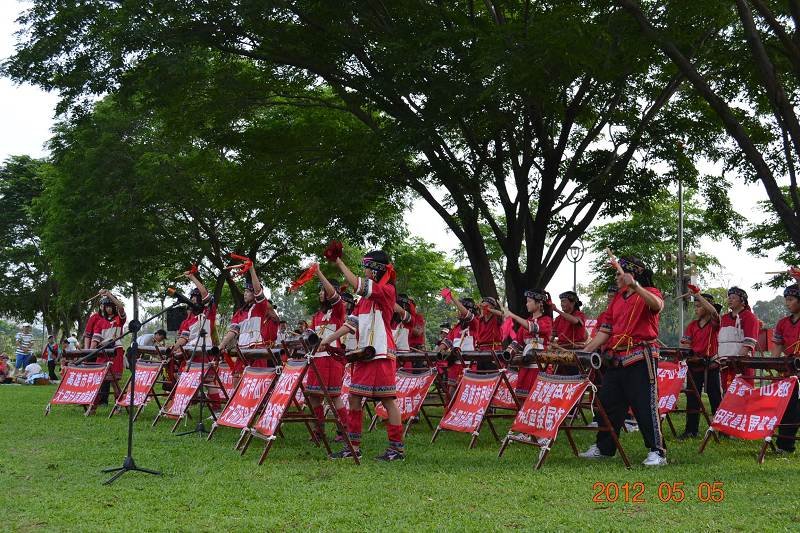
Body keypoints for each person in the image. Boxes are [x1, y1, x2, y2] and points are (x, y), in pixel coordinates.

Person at [579, 256, 666, 467]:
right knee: (607, 403)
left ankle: (658, 451)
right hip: (616, 359)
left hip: (640, 357)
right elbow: (605, 331)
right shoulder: (618, 299)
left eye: (619, 274)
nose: (617, 278)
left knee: (645, 405)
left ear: (632, 275)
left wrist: (635, 286)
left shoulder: (650, 292)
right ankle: (604, 448)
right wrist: (584, 352)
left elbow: (658, 306)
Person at [320, 248, 405, 461]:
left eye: (366, 267)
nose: (364, 271)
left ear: (375, 269)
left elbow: (358, 285)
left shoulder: (386, 290)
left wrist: (339, 262)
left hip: (381, 353)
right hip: (364, 353)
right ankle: (353, 446)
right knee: (354, 397)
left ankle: (396, 449)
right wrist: (327, 340)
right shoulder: (364, 300)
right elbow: (351, 323)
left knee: (387, 401)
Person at [307, 268, 348, 441]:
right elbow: (311, 334)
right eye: (320, 290)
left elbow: (333, 296)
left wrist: (319, 273)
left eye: (323, 289)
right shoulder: (317, 315)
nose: (321, 293)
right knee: (313, 396)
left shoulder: (339, 309)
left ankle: (344, 430)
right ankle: (319, 430)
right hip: (317, 359)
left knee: (334, 397)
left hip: (332, 359)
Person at [679, 287, 722, 439]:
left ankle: (721, 428)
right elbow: (685, 344)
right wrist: (687, 353)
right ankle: (691, 430)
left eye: (699, 306)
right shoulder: (692, 325)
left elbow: (715, 313)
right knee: (692, 399)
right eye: (695, 306)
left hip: (711, 366)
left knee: (715, 397)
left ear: (707, 306)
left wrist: (698, 295)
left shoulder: (714, 324)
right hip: (695, 365)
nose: (696, 309)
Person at [219, 262, 279, 368]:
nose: (245, 294)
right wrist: (221, 345)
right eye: (244, 291)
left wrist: (251, 269)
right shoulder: (239, 313)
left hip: (257, 348)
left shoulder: (260, 307)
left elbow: (258, 291)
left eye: (248, 291)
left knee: (256, 379)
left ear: (254, 294)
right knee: (237, 376)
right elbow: (233, 331)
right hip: (242, 349)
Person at [502, 289, 553, 398]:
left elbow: (534, 328)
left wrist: (513, 316)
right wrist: (508, 353)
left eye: (529, 301)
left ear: (539, 303)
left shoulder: (547, 320)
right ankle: (523, 414)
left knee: (538, 397)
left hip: (541, 365)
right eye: (527, 301)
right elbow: (517, 342)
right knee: (522, 396)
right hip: (525, 363)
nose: (527, 304)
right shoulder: (526, 322)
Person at [771, 283, 800, 453]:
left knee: (793, 407)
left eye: (791, 299)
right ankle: (785, 444)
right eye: (786, 300)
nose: (787, 303)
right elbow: (777, 347)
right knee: (788, 406)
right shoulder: (783, 323)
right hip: (790, 369)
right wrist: (773, 363)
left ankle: (786, 444)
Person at [86, 290, 126, 410]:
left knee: (114, 381)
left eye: (110, 306)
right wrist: (90, 351)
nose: (108, 309)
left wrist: (109, 295)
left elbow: (121, 307)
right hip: (102, 352)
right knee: (99, 380)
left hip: (116, 351)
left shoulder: (120, 319)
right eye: (106, 307)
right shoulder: (99, 322)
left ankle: (118, 404)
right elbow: (95, 339)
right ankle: (93, 407)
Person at [718, 286, 759, 389]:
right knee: (727, 394)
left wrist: (736, 361)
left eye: (733, 297)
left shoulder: (749, 317)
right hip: (725, 364)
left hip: (742, 365)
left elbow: (749, 343)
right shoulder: (724, 318)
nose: (730, 299)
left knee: (743, 394)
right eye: (729, 297)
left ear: (742, 301)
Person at [438, 298, 479, 398]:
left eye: (460, 309)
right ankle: (450, 412)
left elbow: (467, 314)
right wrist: (441, 350)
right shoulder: (456, 327)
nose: (459, 312)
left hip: (470, 365)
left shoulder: (475, 323)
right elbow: (447, 341)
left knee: (468, 394)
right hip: (455, 366)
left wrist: (453, 298)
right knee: (451, 393)